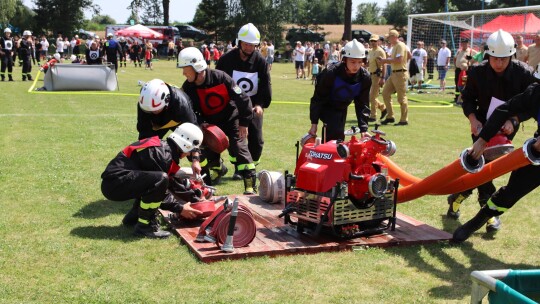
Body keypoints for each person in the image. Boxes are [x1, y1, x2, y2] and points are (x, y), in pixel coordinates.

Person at [446, 29, 536, 234]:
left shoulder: (524, 73)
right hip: (482, 126)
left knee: (489, 167)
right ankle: (490, 214)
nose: (499, 63)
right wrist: (473, 119)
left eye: (504, 59)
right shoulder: (477, 72)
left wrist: (515, 120)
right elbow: (467, 99)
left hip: (506, 128)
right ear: (488, 55)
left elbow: (532, 104)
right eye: (495, 58)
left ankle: (458, 196)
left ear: (512, 55)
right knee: (482, 164)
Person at [452, 82, 540, 243]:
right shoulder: (535, 93)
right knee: (511, 192)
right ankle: (476, 222)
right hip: (538, 152)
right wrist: (483, 140)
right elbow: (504, 109)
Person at [101, 123, 204, 238]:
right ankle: (145, 227)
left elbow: (170, 182)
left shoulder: (163, 149)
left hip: (115, 181)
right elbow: (161, 188)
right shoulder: (162, 156)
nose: (189, 154)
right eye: (190, 151)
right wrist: (180, 208)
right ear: (185, 145)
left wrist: (193, 197)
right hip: (114, 185)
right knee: (159, 181)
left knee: (155, 181)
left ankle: (133, 217)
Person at [178, 47, 257, 195]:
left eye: (185, 69)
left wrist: (244, 123)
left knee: (239, 148)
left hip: (231, 120)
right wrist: (201, 123)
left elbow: (243, 98)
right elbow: (189, 112)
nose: (183, 73)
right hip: (209, 124)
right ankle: (211, 180)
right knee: (206, 153)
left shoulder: (221, 77)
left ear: (197, 67)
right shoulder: (188, 87)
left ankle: (250, 184)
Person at [216, 23, 272, 181]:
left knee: (257, 140)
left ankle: (251, 167)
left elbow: (265, 84)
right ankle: (239, 168)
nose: (248, 48)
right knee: (237, 138)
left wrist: (260, 104)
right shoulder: (226, 60)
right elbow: (218, 81)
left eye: (252, 45)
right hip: (232, 105)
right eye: (246, 44)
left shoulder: (260, 61)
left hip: (253, 105)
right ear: (239, 42)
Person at [308, 39, 371, 141]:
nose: (356, 66)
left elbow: (362, 104)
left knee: (339, 139)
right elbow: (318, 98)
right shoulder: (330, 73)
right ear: (344, 59)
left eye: (360, 62)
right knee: (334, 137)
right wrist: (314, 124)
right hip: (328, 105)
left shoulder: (365, 77)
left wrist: (364, 130)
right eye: (353, 62)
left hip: (342, 107)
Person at [378, 29, 409, 126]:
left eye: (389, 37)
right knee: (385, 93)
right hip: (394, 73)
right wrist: (386, 59)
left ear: (394, 37)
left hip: (400, 74)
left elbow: (399, 60)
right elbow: (405, 57)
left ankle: (404, 120)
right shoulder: (395, 46)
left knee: (401, 98)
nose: (388, 39)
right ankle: (390, 116)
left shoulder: (400, 45)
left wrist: (385, 60)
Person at [366, 34, 387, 122]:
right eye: (372, 41)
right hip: (370, 74)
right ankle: (383, 108)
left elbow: (384, 64)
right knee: (370, 96)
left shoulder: (380, 51)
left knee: (372, 96)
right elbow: (369, 63)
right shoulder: (370, 51)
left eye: (375, 41)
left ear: (378, 41)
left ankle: (373, 116)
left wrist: (383, 77)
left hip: (377, 75)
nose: (373, 42)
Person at [453, 38, 477, 104]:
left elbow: (478, 57)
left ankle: (464, 98)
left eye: (465, 43)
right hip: (458, 70)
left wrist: (471, 62)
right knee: (457, 83)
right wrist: (455, 66)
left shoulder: (471, 51)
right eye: (462, 43)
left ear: (467, 44)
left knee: (465, 84)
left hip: (466, 70)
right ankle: (457, 97)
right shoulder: (459, 51)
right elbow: (454, 58)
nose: (463, 45)